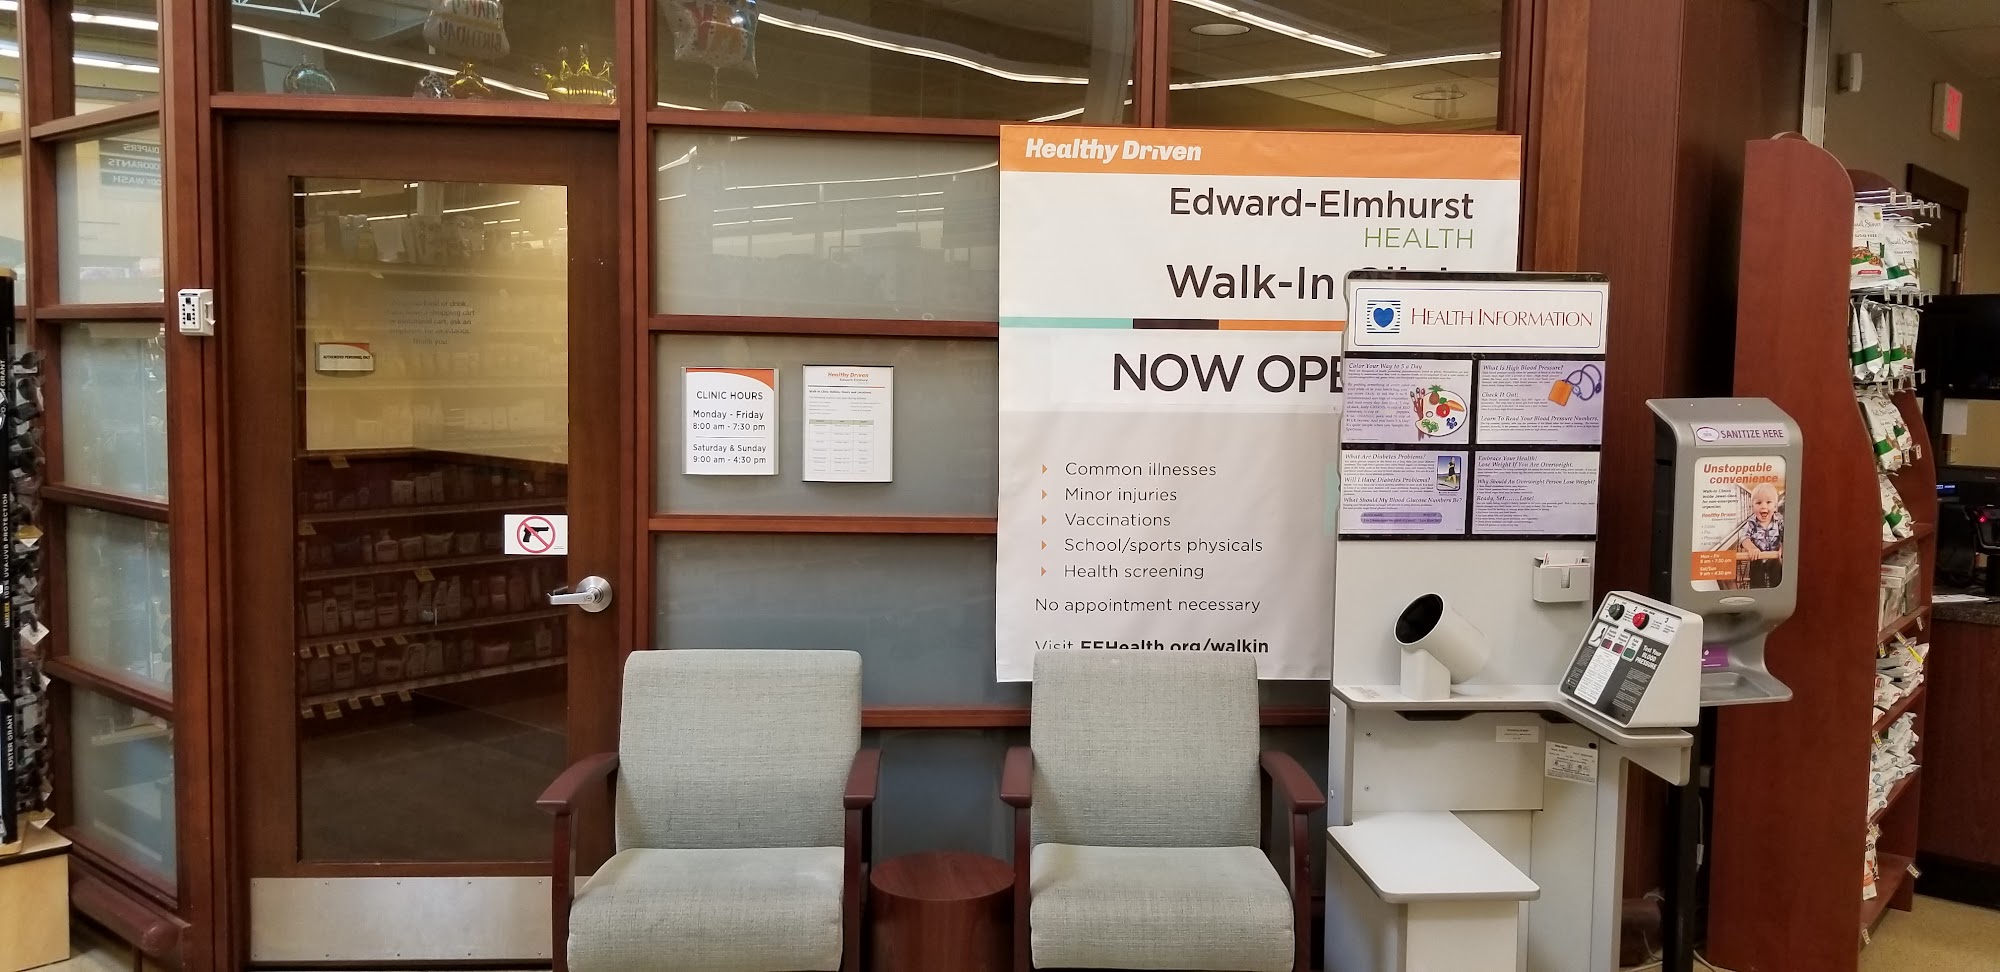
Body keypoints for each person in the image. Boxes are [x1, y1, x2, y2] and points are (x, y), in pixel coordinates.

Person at [1737, 481, 1784, 587]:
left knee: (1777, 573)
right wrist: (1752, 548)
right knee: (1756, 576)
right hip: (1757, 557)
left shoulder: (1779, 521)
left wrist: (1783, 547)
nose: (1763, 506)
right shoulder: (1751, 522)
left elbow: (1786, 535)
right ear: (1752, 507)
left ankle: (1776, 592)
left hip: (1774, 557)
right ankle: (1757, 592)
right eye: (1758, 503)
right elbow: (1744, 537)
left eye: (1768, 502)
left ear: (1775, 506)